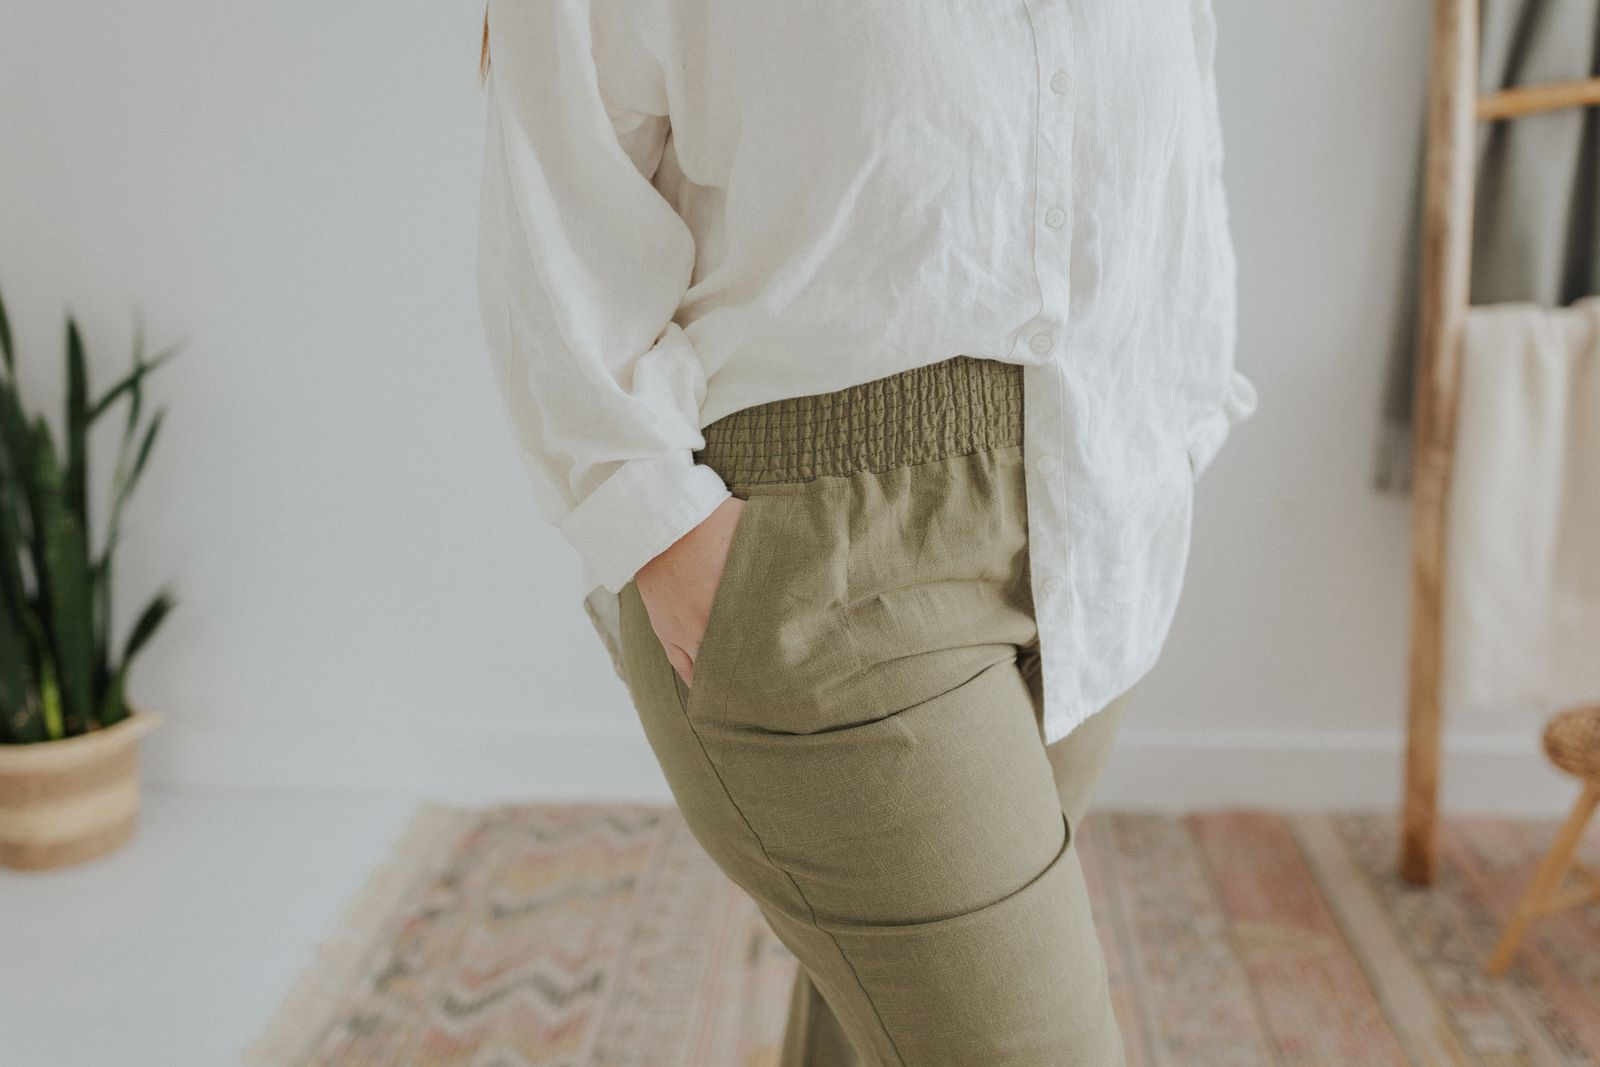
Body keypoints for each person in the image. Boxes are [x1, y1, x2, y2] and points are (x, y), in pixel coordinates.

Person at [474, 2, 1258, 1063]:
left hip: (1094, 523)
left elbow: (1166, 138)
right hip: (819, 556)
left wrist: (1176, 421)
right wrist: (658, 524)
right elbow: (557, 167)